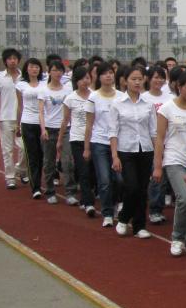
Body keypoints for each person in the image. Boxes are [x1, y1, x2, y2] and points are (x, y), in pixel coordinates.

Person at [154, 68, 186, 256]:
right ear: (179, 86)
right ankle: (177, 238)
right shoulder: (166, 109)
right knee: (185, 197)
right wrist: (158, 166)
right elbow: (160, 138)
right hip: (174, 158)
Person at [109, 65, 157, 239]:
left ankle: (139, 226)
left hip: (146, 150)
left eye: (140, 79)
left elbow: (153, 131)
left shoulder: (148, 104)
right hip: (126, 150)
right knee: (132, 187)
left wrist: (158, 155)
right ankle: (123, 218)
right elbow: (113, 132)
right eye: (133, 79)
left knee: (143, 189)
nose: (137, 82)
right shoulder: (117, 104)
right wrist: (115, 156)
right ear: (125, 81)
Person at [84, 62, 127, 227]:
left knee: (120, 178)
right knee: (104, 180)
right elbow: (89, 124)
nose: (108, 76)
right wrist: (87, 148)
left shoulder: (121, 96)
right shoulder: (93, 97)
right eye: (104, 73)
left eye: (110, 72)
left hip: (118, 142)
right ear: (98, 77)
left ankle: (118, 203)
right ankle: (107, 213)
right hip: (99, 142)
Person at [60, 66, 96, 214]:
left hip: (94, 138)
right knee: (83, 170)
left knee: (93, 170)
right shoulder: (70, 98)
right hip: (77, 138)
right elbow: (65, 120)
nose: (84, 81)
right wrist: (60, 140)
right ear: (76, 81)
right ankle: (88, 203)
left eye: (87, 78)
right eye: (81, 79)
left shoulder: (95, 96)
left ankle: (87, 196)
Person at [142, 65, 173, 224]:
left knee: (163, 177)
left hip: (167, 141)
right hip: (149, 142)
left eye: (162, 77)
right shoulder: (143, 98)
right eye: (156, 77)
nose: (159, 80)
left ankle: (158, 208)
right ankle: (153, 209)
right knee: (156, 175)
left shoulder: (170, 98)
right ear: (148, 79)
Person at [38, 59, 71, 204]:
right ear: (49, 72)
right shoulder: (43, 90)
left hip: (65, 129)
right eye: (54, 70)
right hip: (49, 129)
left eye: (60, 70)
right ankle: (50, 191)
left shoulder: (68, 90)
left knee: (67, 161)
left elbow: (70, 110)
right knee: (49, 162)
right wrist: (43, 129)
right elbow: (41, 112)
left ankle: (70, 192)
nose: (57, 73)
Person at [15, 58, 46, 199]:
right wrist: (17, 123)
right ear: (26, 69)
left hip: (43, 123)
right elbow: (19, 106)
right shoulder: (20, 85)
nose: (34, 69)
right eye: (32, 66)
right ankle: (36, 187)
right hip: (27, 122)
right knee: (32, 155)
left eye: (37, 67)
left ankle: (41, 181)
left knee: (42, 154)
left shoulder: (45, 84)